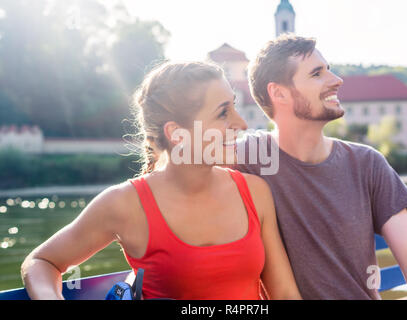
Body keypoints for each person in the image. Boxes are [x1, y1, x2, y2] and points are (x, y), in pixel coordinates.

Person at [20, 61, 302, 300]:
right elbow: (41, 262)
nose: (241, 124)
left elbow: (285, 294)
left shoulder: (255, 192)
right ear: (177, 134)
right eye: (223, 112)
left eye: (234, 107)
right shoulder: (124, 204)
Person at [235, 34, 407, 300]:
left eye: (329, 69)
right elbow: (177, 162)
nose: (337, 80)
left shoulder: (367, 163)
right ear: (279, 93)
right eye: (317, 74)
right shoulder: (244, 158)